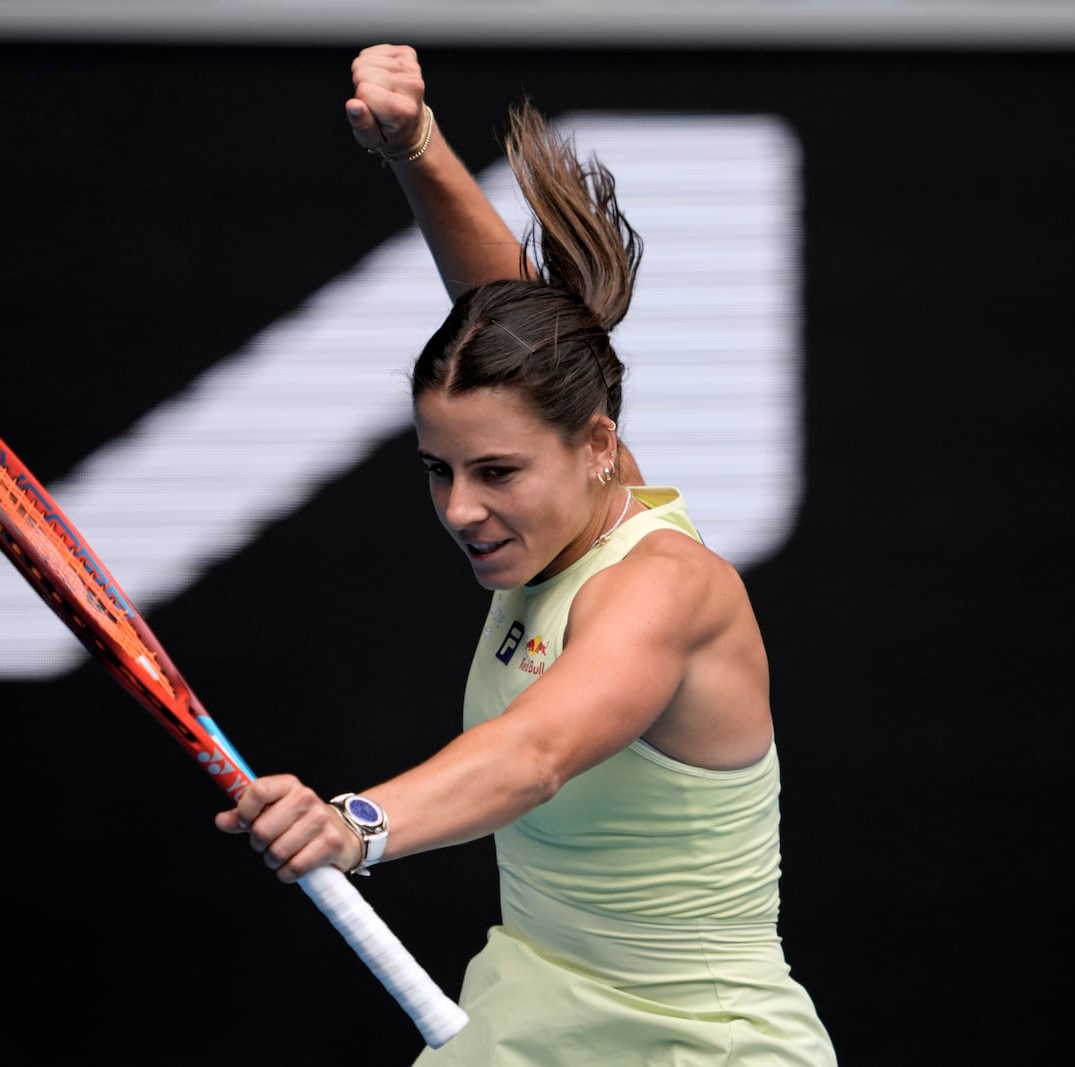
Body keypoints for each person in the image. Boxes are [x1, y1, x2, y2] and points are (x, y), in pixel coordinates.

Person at [214, 43, 838, 1066]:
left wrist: (354, 822)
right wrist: (416, 147)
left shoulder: (665, 588)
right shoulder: (567, 460)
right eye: (436, 470)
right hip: (528, 1026)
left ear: (599, 447)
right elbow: (517, 320)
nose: (461, 509)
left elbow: (535, 754)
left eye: (496, 472)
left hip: (701, 1048)